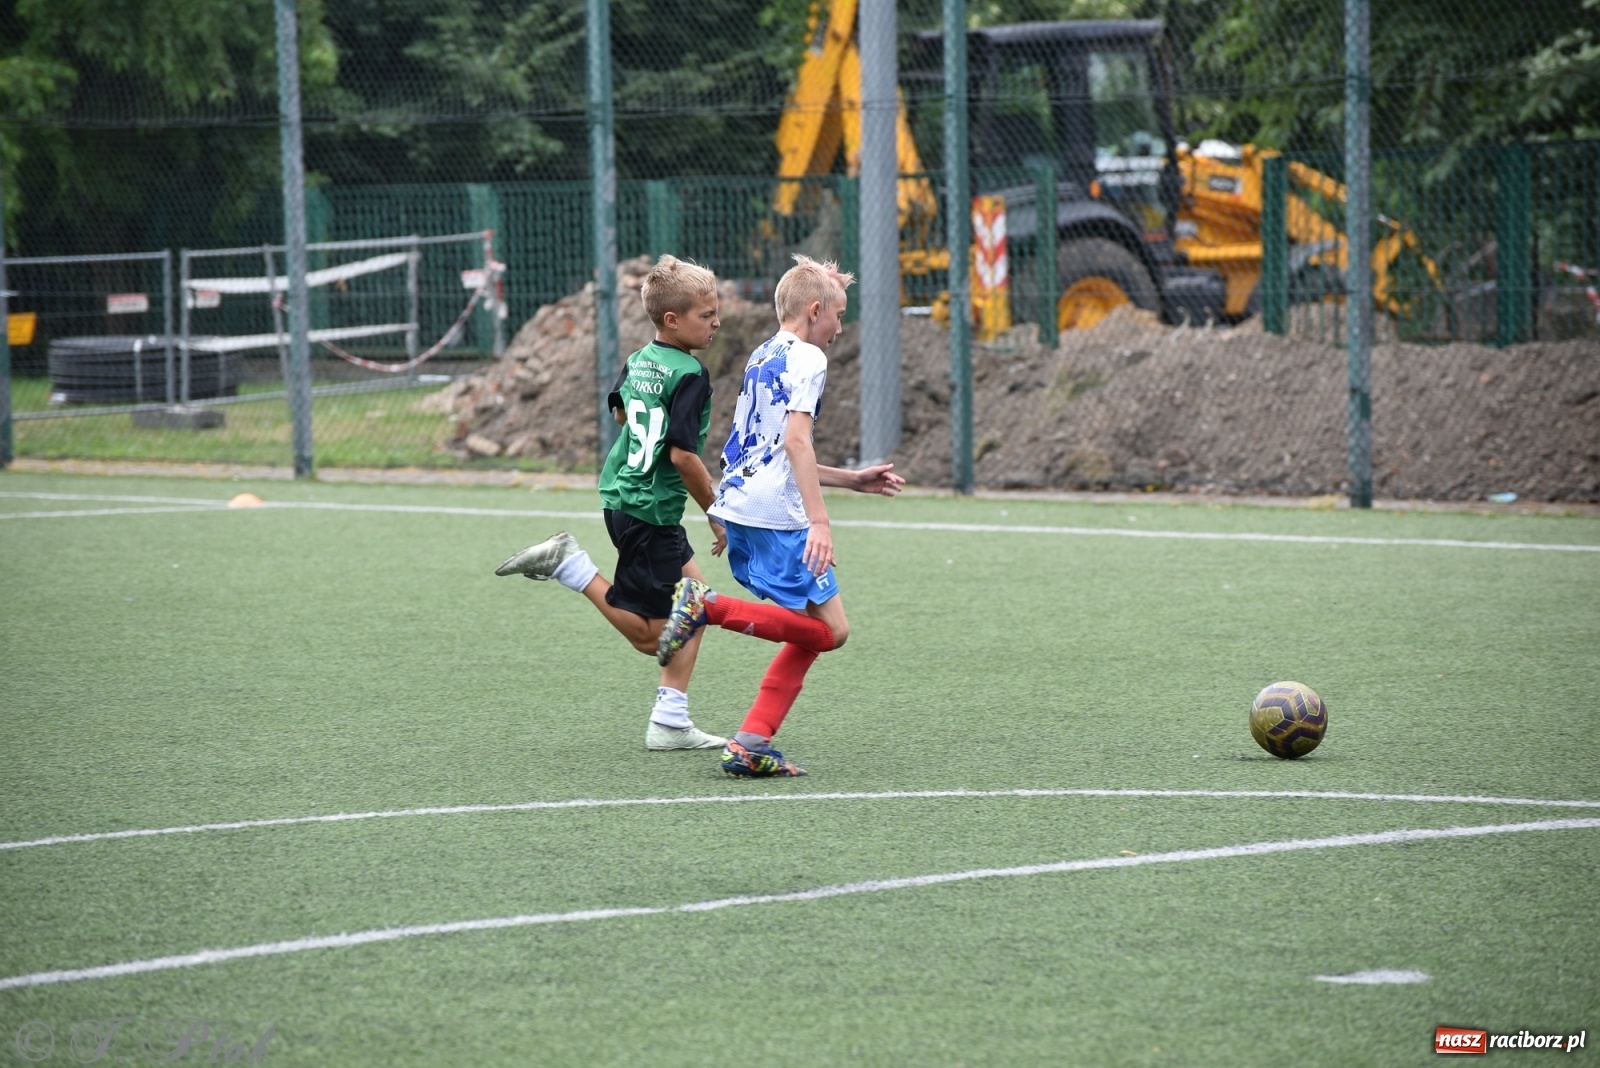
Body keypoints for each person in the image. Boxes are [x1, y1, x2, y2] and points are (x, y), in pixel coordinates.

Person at [657, 254, 904, 777]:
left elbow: (773, 450)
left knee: (813, 630)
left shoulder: (764, 353)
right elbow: (795, 442)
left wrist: (852, 480)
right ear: (815, 311)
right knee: (832, 631)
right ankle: (708, 607)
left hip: (742, 502)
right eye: (839, 314)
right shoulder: (811, 359)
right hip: (777, 516)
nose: (840, 327)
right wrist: (820, 521)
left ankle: (750, 742)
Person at [495, 255, 728, 751]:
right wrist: (716, 512)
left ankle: (671, 719)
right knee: (656, 634)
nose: (716, 322)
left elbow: (622, 414)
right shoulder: (690, 374)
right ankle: (572, 567)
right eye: (706, 315)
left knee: (696, 601)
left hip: (625, 496)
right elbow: (683, 455)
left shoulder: (640, 359)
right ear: (673, 320)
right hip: (649, 512)